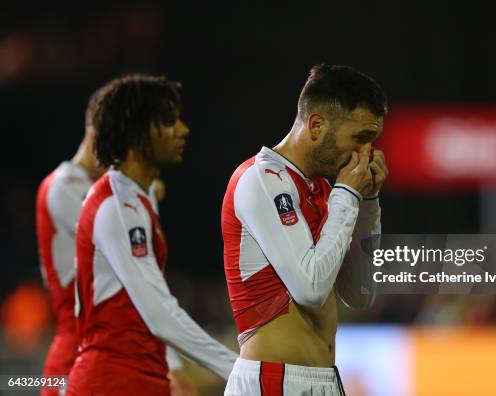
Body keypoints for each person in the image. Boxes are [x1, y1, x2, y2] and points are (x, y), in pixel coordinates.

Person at [66, 74, 237, 396]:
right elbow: (159, 312)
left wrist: (170, 367)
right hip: (111, 382)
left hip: (138, 377)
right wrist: (240, 370)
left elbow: (147, 305)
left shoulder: (135, 199)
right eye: (169, 121)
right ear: (138, 132)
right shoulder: (119, 207)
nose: (183, 129)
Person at [221, 64, 387, 395]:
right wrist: (348, 195)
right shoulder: (262, 179)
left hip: (324, 381)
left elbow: (360, 294)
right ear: (316, 125)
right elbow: (309, 287)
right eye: (359, 139)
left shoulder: (326, 193)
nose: (366, 154)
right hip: (273, 381)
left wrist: (367, 202)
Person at [35, 86, 107, 396]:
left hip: (100, 356)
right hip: (74, 360)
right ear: (95, 132)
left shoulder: (99, 190)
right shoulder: (63, 186)